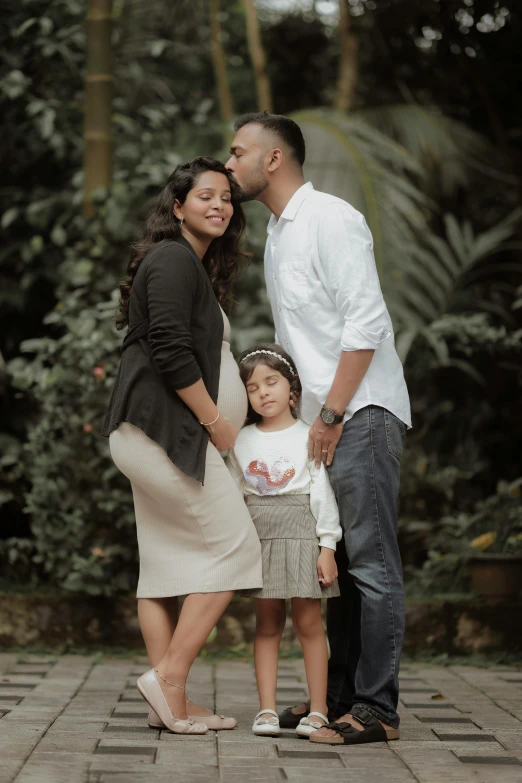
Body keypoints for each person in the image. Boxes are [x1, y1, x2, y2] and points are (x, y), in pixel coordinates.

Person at [225, 114, 411, 745]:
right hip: (322, 423)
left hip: (358, 413)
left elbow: (368, 325)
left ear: (273, 159)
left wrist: (329, 416)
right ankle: (333, 702)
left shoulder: (330, 218)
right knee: (341, 565)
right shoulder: (279, 232)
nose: (229, 164)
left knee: (372, 564)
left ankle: (376, 710)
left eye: (237, 152)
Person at [102, 157, 262, 735]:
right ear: (177, 207)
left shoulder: (184, 263)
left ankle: (169, 698)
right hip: (164, 433)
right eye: (205, 197)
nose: (220, 206)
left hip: (152, 434)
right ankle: (167, 679)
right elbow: (170, 348)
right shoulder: (172, 258)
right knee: (237, 548)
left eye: (227, 198)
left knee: (167, 566)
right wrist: (217, 420)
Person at [226, 344, 342, 738]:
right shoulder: (239, 441)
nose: (263, 392)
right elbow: (232, 494)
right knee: (267, 623)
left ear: (290, 386)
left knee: (309, 622)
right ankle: (267, 710)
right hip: (259, 537)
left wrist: (328, 547)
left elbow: (321, 492)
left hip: (301, 534)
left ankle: (320, 710)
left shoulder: (308, 434)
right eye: (252, 387)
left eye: (271, 381)